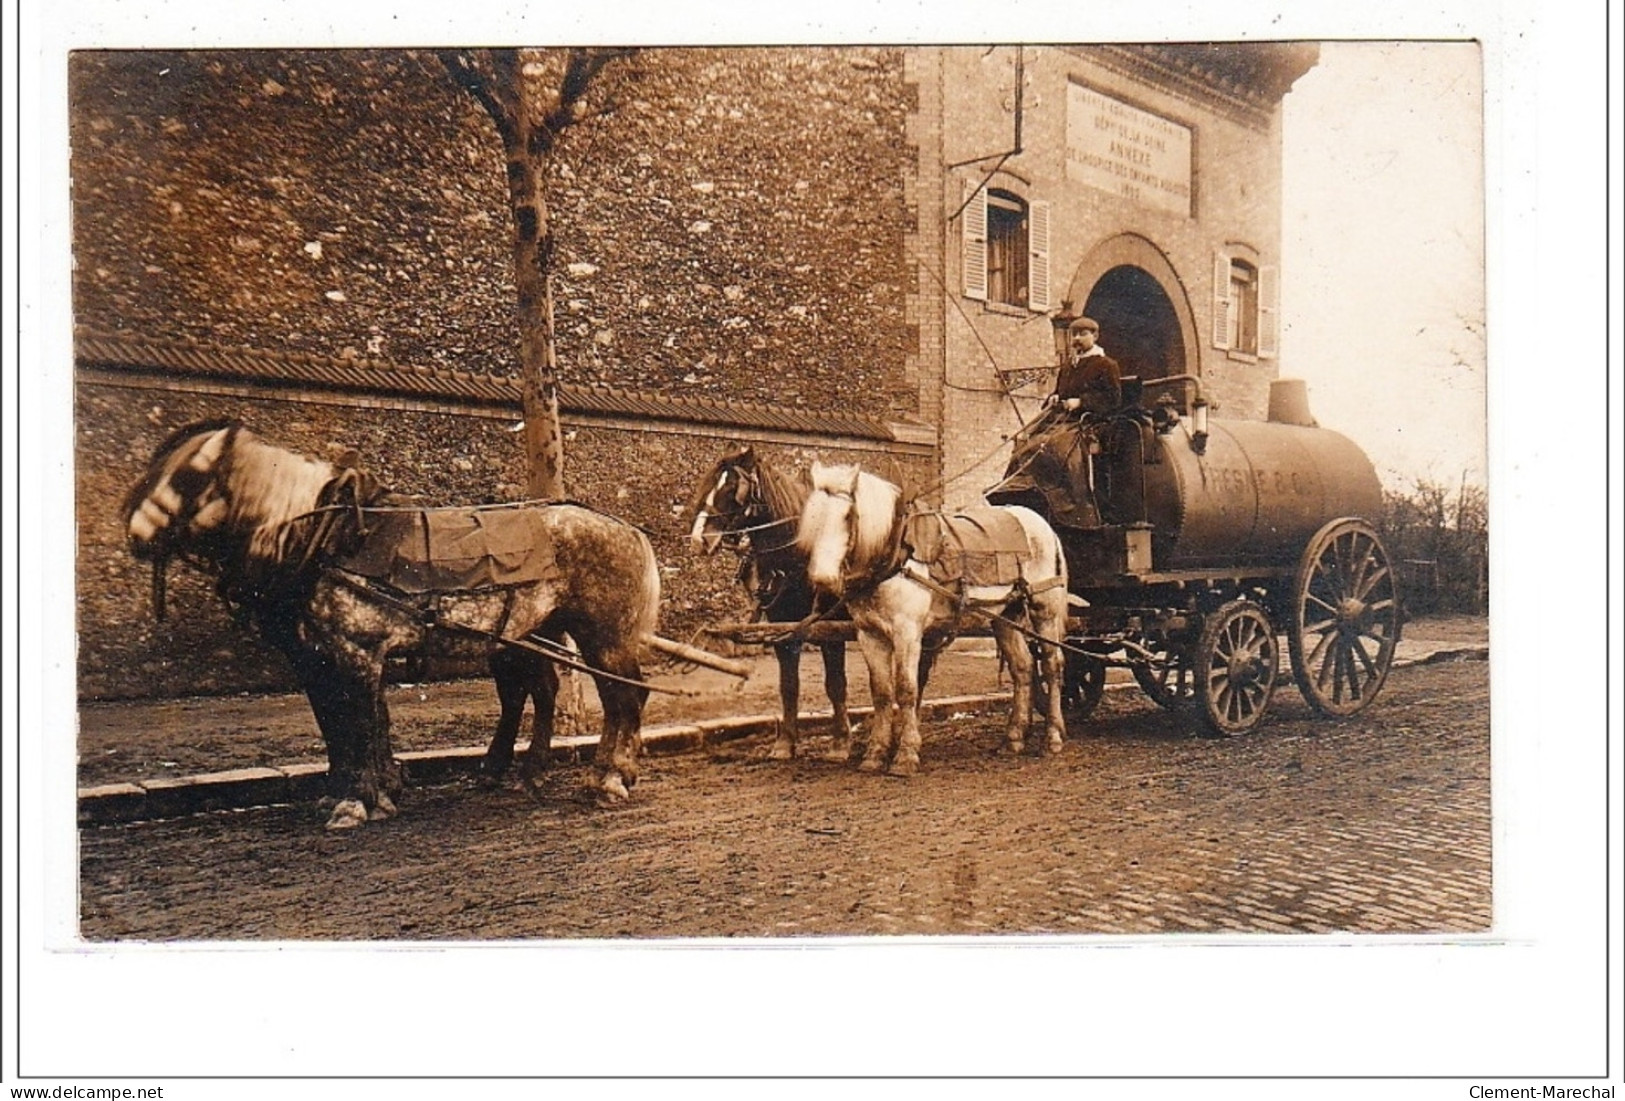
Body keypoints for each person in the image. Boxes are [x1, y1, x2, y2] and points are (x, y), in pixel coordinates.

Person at [1047, 316, 1122, 417]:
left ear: (1095, 336)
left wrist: (1081, 402)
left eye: (1083, 334)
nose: (1077, 338)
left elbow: (1113, 398)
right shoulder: (1068, 365)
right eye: (1074, 334)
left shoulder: (1106, 364)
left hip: (1092, 420)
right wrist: (1055, 397)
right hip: (1066, 418)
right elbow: (1060, 390)